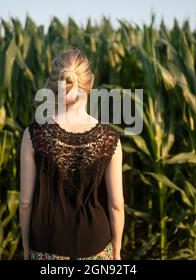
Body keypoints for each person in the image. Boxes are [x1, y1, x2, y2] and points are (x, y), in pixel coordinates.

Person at [19, 48, 124, 260]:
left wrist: (26, 248)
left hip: (47, 246)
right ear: (91, 83)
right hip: (96, 247)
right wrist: (117, 251)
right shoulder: (110, 138)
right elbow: (116, 206)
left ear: (52, 85)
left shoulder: (33, 134)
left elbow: (25, 203)